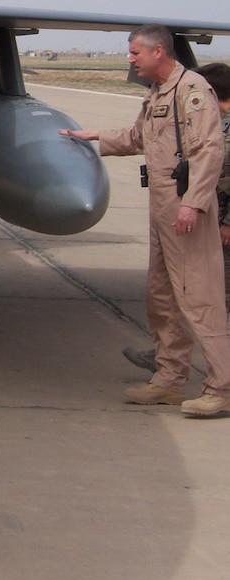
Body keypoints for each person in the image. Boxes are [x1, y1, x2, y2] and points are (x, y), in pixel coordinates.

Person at [61, 25, 230, 418]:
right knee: (163, 297)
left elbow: (209, 151)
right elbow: (140, 137)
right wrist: (95, 137)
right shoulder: (159, 94)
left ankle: (220, 388)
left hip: (186, 210)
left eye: (136, 52)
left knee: (198, 299)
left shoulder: (192, 91)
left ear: (158, 51)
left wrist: (194, 203)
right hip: (163, 211)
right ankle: (170, 380)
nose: (130, 59)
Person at [123, 60, 230, 374]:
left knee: (210, 299)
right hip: (213, 217)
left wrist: (227, 223)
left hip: (218, 223)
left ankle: (218, 376)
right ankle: (168, 358)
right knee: (185, 292)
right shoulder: (218, 121)